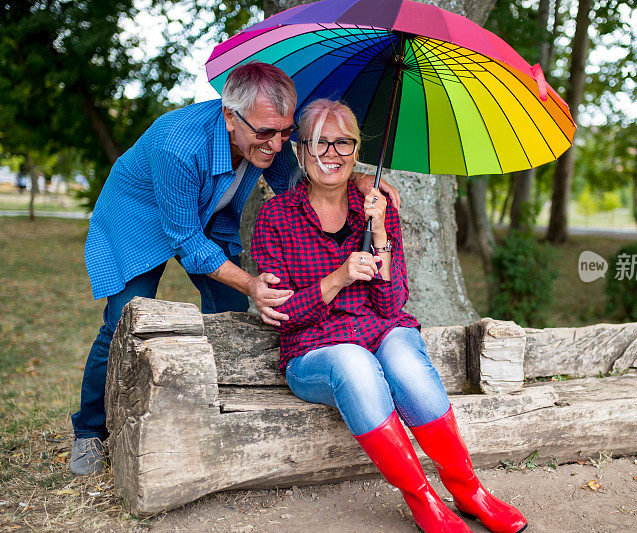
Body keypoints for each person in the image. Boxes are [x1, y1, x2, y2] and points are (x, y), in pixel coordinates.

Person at [71, 62, 399, 476]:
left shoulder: (270, 138)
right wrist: (251, 283)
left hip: (209, 212)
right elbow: (186, 241)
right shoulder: (178, 145)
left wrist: (360, 180)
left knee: (227, 312)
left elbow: (303, 184)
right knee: (121, 322)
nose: (276, 145)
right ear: (229, 115)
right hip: (138, 216)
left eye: (285, 131)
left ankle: (209, 408)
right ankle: (88, 431)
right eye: (264, 133)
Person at [250, 99, 527, 533]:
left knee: (403, 362)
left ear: (357, 149)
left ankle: (469, 490)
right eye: (319, 143)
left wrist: (379, 233)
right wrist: (337, 279)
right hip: (314, 353)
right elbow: (282, 314)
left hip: (380, 329)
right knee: (354, 363)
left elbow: (393, 304)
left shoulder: (377, 206)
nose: (331, 154)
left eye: (343, 142)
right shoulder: (275, 216)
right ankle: (424, 501)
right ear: (300, 152)